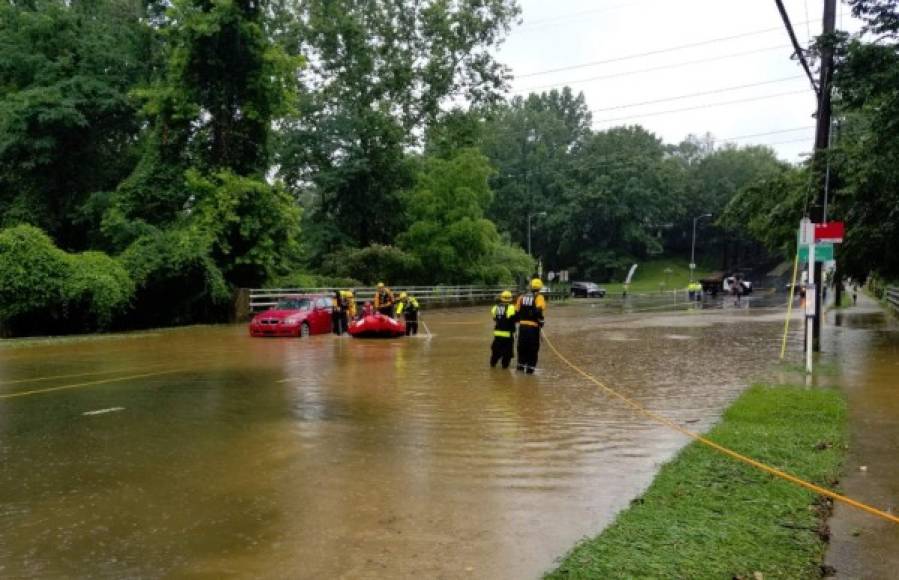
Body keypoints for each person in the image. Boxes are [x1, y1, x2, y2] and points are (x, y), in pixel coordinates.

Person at [516, 278, 547, 374]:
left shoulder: (521, 297)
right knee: (532, 349)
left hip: (522, 328)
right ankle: (530, 370)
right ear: (540, 288)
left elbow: (517, 312)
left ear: (531, 286)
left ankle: (520, 368)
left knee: (522, 348)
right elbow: (539, 311)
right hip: (533, 328)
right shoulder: (539, 297)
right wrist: (541, 321)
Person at [490, 290, 517, 369]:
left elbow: (494, 318)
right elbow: (515, 318)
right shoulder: (511, 307)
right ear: (510, 298)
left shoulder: (495, 307)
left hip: (497, 335)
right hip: (507, 336)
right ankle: (504, 369)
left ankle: (492, 366)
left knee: (495, 353)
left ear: (501, 298)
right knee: (507, 355)